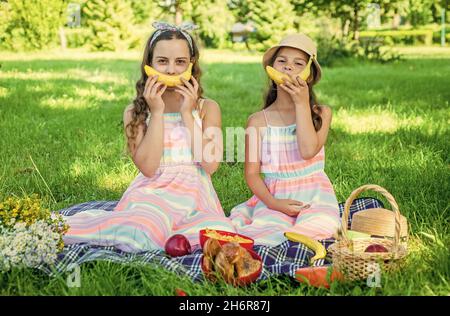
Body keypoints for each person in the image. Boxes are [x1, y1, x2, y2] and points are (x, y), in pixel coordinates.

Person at [63, 21, 235, 253]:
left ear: (191, 66)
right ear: (149, 65)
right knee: (141, 229)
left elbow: (211, 164)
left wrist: (187, 112)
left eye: (180, 62)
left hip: (195, 196)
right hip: (152, 193)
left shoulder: (207, 108)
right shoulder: (135, 112)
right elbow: (148, 168)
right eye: (162, 61)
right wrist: (157, 112)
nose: (172, 70)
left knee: (216, 235)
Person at [229, 34, 340, 246]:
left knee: (322, 226)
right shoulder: (257, 121)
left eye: (298, 63)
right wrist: (274, 203)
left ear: (309, 75)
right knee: (268, 234)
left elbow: (308, 151)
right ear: (271, 71)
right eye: (282, 61)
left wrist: (301, 104)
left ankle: (300, 240)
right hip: (275, 197)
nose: (288, 67)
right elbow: (252, 174)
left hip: (315, 195)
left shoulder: (322, 113)